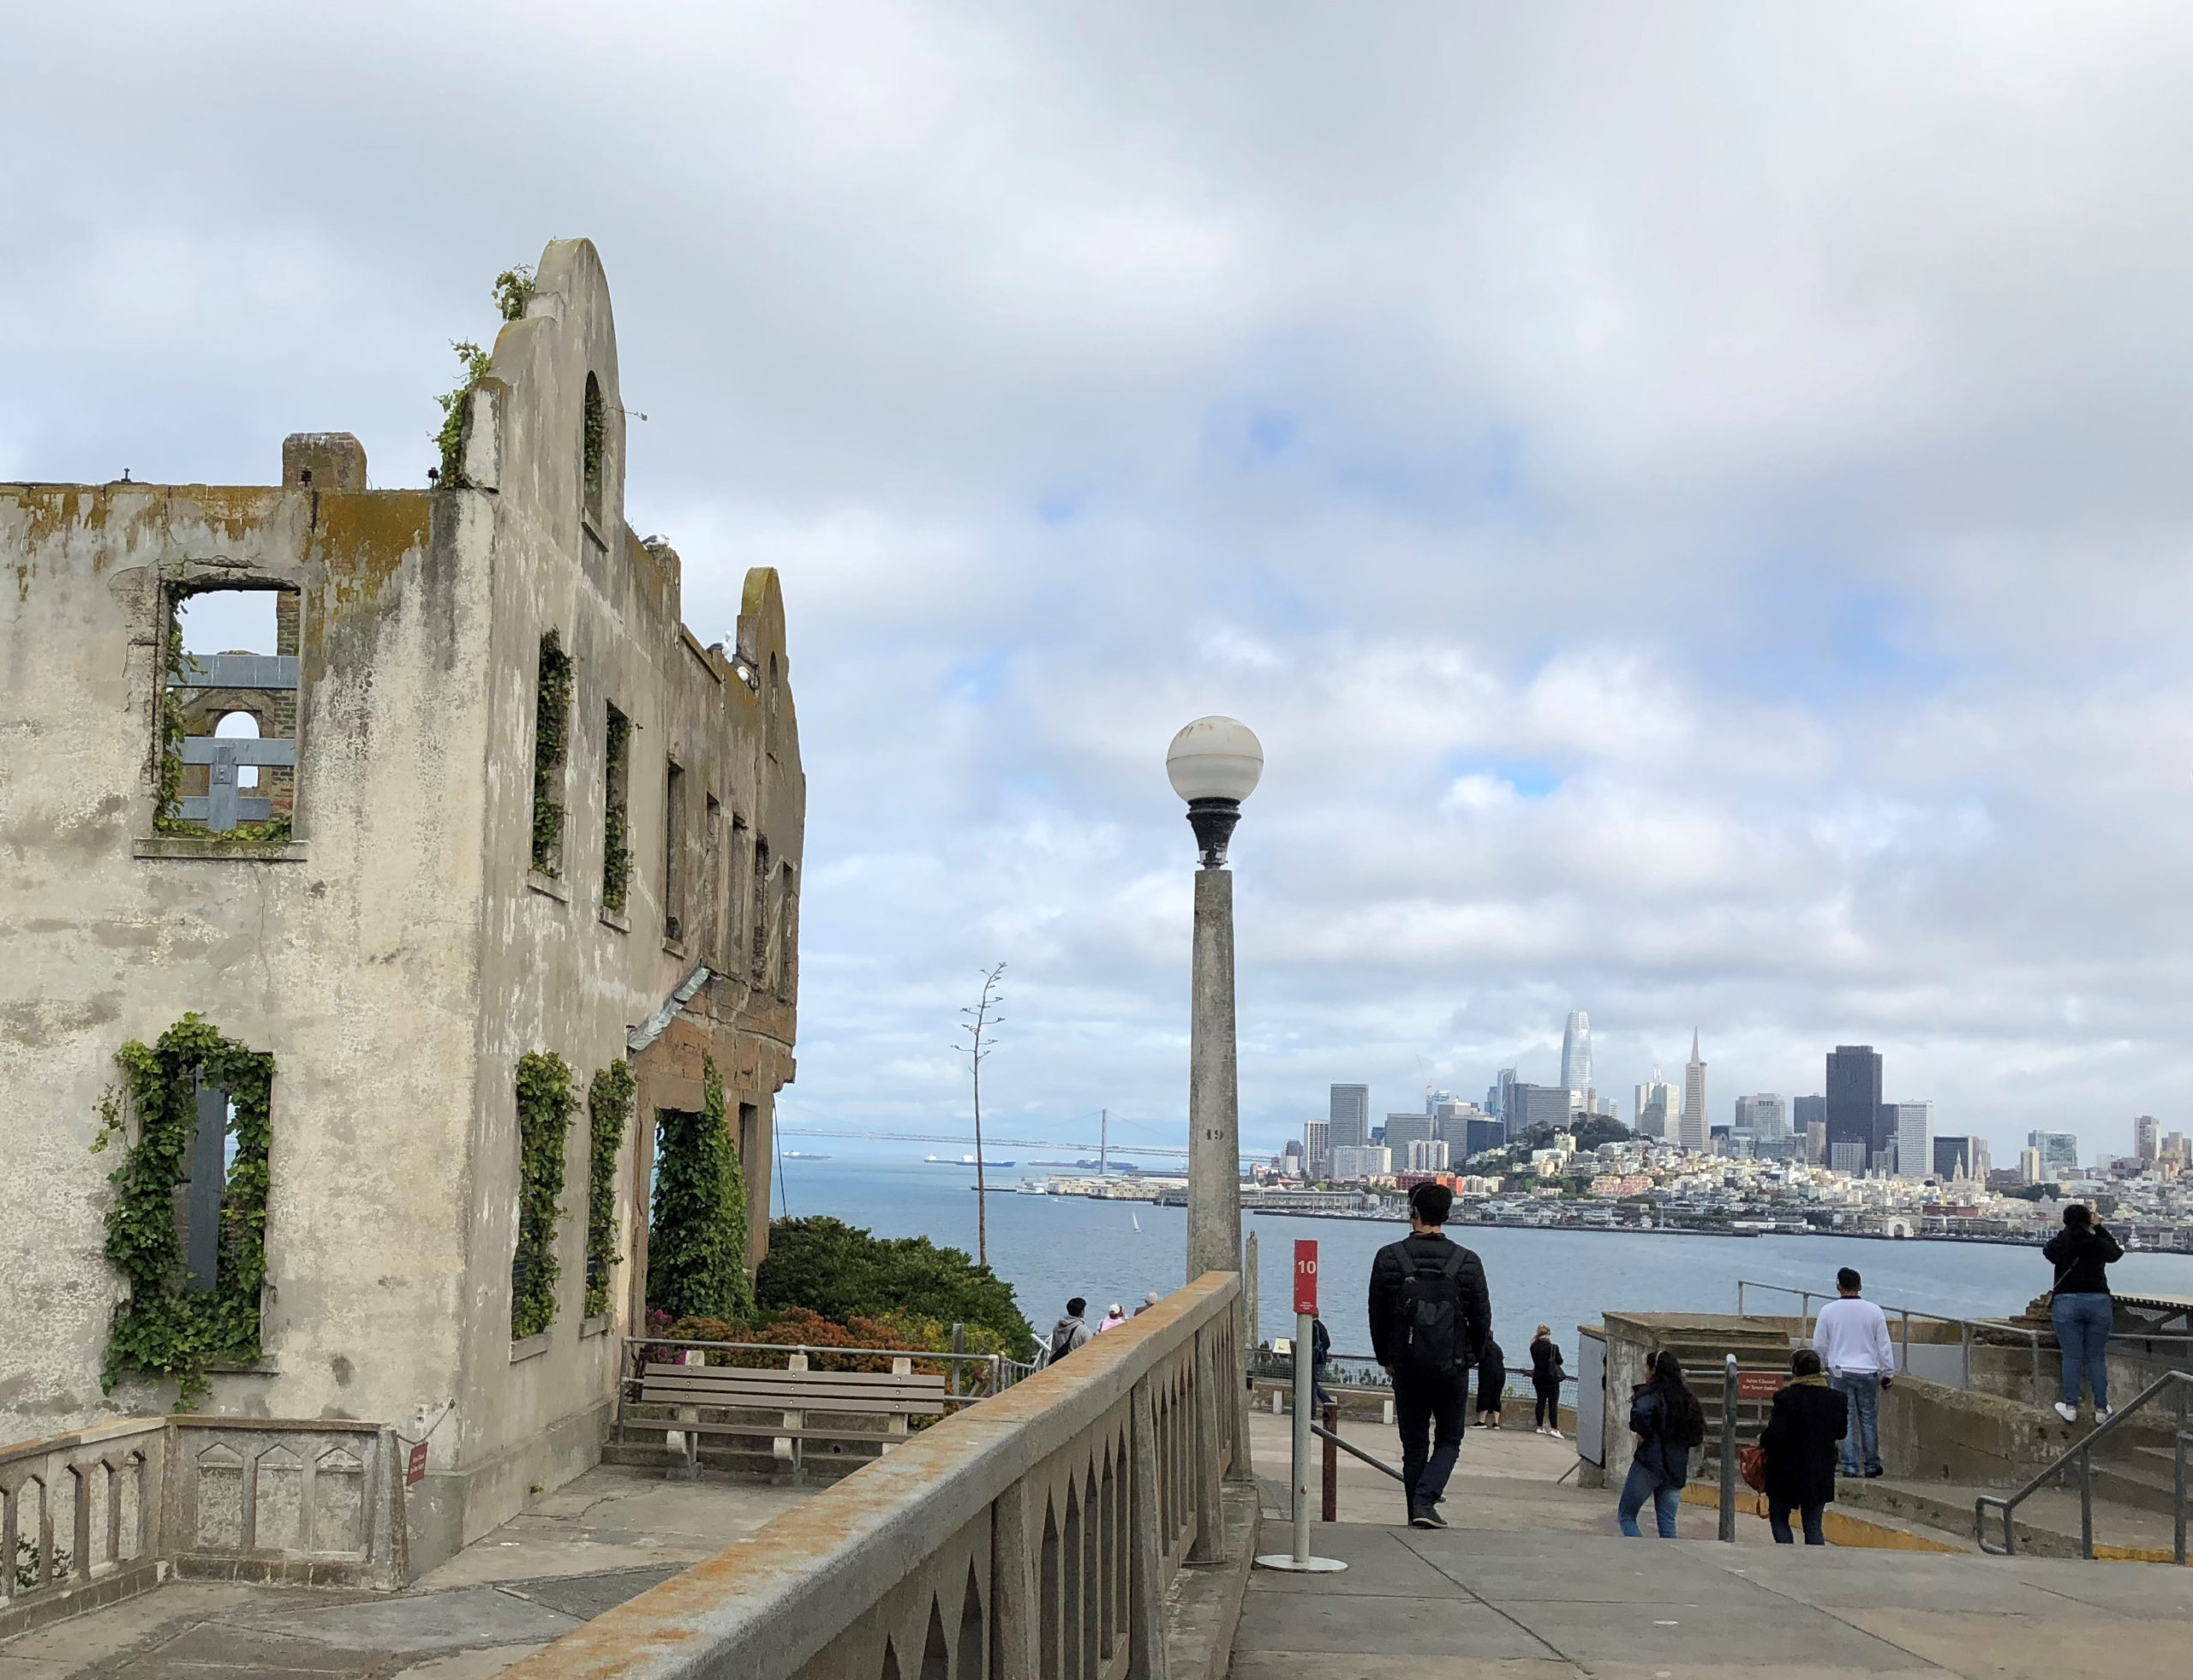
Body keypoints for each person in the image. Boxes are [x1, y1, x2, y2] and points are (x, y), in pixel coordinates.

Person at [1369, 1181, 1492, 1529]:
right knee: (1450, 1439)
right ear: (1448, 1215)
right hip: (1452, 1366)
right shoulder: (1467, 1262)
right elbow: (1481, 1316)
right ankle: (1425, 1502)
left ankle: (1417, 1509)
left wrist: (1386, 1358)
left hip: (1406, 1366)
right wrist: (1473, 1355)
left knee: (1413, 1445)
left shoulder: (1389, 1257)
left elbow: (1377, 1315)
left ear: (1414, 1213)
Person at [1758, 1348, 1847, 1545]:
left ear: (1795, 1370)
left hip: (1785, 1470)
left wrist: (1762, 1440)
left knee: (1779, 1518)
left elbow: (1775, 1435)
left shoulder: (1785, 1397)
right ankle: (1813, 1566)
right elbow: (1841, 1433)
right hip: (1819, 1470)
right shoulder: (1837, 1399)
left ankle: (1787, 1555)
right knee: (1813, 1524)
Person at [1811, 1267, 1893, 1478]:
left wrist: (1826, 1364)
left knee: (1845, 1419)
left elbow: (1819, 1344)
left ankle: (1850, 1465)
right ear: (1860, 1286)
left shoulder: (1828, 1311)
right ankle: (1872, 1464)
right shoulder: (1874, 1311)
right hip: (1868, 1372)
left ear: (1838, 1285)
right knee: (1868, 1418)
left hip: (1840, 1371)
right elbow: (1884, 1345)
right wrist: (1888, 1372)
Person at [2044, 1203, 2123, 1424]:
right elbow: (2116, 1253)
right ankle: (2101, 1408)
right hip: (2098, 1301)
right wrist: (2099, 1227)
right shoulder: (2097, 1243)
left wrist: (2068, 1229)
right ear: (2089, 1220)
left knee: (2072, 1355)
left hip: (2067, 1301)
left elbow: (2048, 1251)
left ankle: (2070, 1405)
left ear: (2066, 1221)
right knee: (2096, 1356)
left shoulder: (2063, 1243)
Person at [1618, 1349, 1706, 1539]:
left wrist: (1644, 1432)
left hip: (1650, 1464)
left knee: (1627, 1516)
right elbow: (1697, 1434)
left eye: (1647, 1367)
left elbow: (1641, 1413)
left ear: (1653, 1370)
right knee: (1667, 1523)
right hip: (1676, 1466)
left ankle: (1640, 1554)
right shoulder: (1687, 1399)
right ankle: (1671, 1562)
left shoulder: (1652, 1395)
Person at [1529, 1325, 1566, 1438]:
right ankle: (1554, 1428)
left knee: (1540, 1402)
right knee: (1552, 1404)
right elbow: (1560, 1361)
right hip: (1551, 1379)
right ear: (1548, 1334)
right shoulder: (1553, 1348)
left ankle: (1540, 1427)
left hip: (1538, 1378)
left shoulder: (1533, 1347)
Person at [1047, 1298, 1092, 1363]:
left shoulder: (1057, 1327)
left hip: (1058, 1364)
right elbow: (1089, 1352)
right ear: (1081, 1312)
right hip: (1075, 1364)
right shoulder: (1083, 1330)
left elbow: (1054, 1350)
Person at [1476, 1335, 1506, 1427]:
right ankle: (1496, 1422)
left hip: (1488, 1373)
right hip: (1501, 1373)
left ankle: (1482, 1421)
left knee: (1484, 1394)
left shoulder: (1484, 1346)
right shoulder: (1497, 1347)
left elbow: (1478, 1357)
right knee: (1496, 1396)